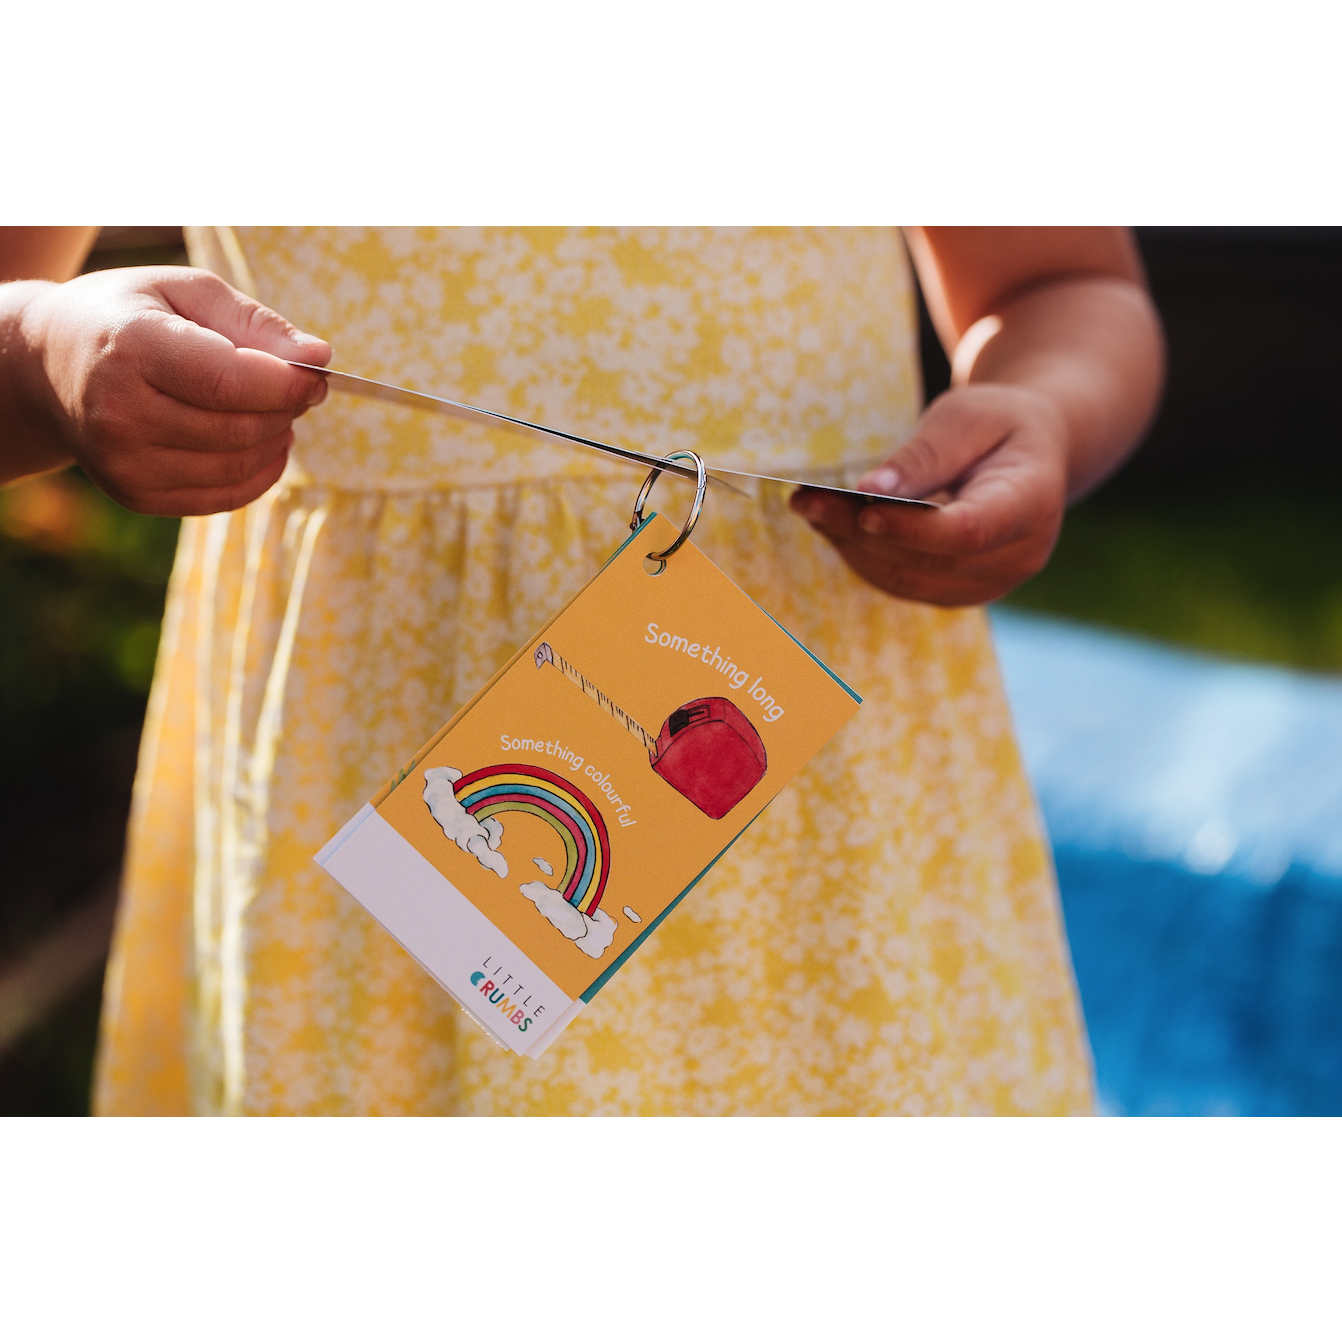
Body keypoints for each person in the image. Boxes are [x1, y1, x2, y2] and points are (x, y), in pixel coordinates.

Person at [0, 228, 1163, 1115]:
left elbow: (1061, 285)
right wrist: (48, 357)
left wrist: (1041, 411)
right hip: (366, 772)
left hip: (836, 799)